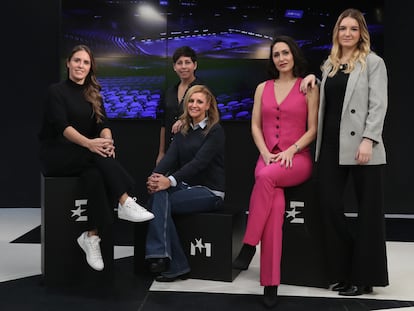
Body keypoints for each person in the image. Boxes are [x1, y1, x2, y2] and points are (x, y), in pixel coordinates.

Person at [38, 44, 154, 272]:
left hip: (84, 157)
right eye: (77, 61)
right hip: (57, 154)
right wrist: (91, 144)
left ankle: (91, 236)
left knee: (95, 175)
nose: (81, 65)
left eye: (86, 62)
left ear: (91, 67)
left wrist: (107, 141)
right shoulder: (56, 91)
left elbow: (103, 125)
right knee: (96, 156)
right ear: (68, 63)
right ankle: (125, 200)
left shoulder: (93, 94)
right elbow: (63, 127)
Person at [301, 8, 389, 296]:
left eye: (353, 28)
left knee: (369, 213)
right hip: (330, 146)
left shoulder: (374, 63)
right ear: (336, 33)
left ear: (361, 32)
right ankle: (345, 268)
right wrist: (314, 78)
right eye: (343, 29)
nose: (348, 33)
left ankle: (364, 278)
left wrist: (368, 139)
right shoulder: (329, 65)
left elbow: (378, 105)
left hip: (363, 147)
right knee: (327, 204)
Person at [232, 36, 319, 308]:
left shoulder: (308, 86)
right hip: (268, 157)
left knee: (266, 178)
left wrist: (292, 149)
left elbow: (313, 129)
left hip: (297, 159)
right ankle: (271, 283)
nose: (281, 58)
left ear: (294, 55)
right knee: (275, 206)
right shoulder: (262, 88)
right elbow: (255, 126)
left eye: (285, 53)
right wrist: (266, 153)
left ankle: (248, 245)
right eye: (276, 54)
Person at [145, 84, 225, 282]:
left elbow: (199, 164)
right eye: (191, 100)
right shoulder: (182, 131)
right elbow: (168, 159)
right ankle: (175, 263)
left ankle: (162, 256)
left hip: (210, 191)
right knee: (159, 196)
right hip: (185, 188)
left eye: (199, 101)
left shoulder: (215, 131)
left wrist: (169, 180)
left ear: (208, 106)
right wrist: (155, 178)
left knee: (163, 203)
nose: (194, 105)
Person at [156, 46, 204, 164]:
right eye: (179, 63)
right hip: (170, 151)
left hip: (194, 152)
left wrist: (186, 120)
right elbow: (164, 124)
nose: (183, 67)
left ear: (195, 65)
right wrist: (161, 153)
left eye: (187, 62)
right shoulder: (170, 91)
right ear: (174, 67)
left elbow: (211, 118)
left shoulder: (203, 90)